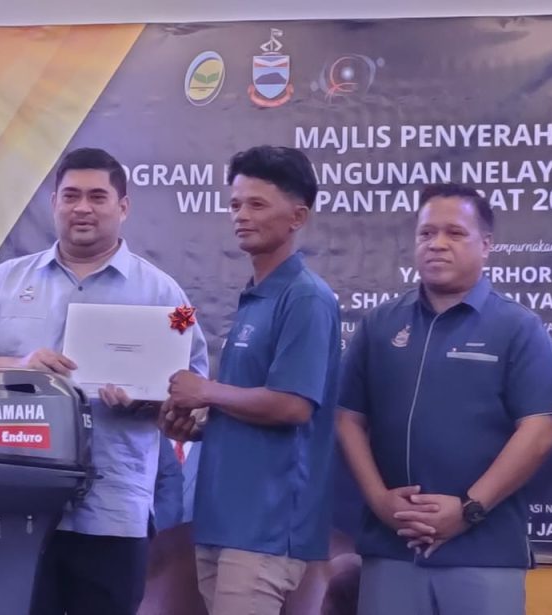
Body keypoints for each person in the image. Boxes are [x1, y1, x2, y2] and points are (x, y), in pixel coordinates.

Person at [0, 147, 209, 615]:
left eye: (97, 197)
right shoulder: (2, 282)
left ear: (123, 207)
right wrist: (20, 365)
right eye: (70, 196)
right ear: (54, 203)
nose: (82, 207)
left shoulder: (168, 295)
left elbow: (194, 387)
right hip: (10, 506)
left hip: (113, 508)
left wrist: (148, 400)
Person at [336, 183, 552, 615]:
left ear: (486, 245)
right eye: (426, 233)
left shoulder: (519, 327)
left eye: (455, 233)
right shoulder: (380, 324)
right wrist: (380, 501)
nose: (437, 244)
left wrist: (469, 509)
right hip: (392, 549)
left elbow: (540, 431)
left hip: (484, 552)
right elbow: (348, 419)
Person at [162, 145, 341, 615]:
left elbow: (293, 405)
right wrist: (198, 423)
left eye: (257, 204)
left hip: (266, 528)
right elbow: (243, 403)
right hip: (221, 520)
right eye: (235, 204)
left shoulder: (306, 298)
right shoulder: (254, 296)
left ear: (298, 217)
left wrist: (205, 391)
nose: (241, 215)